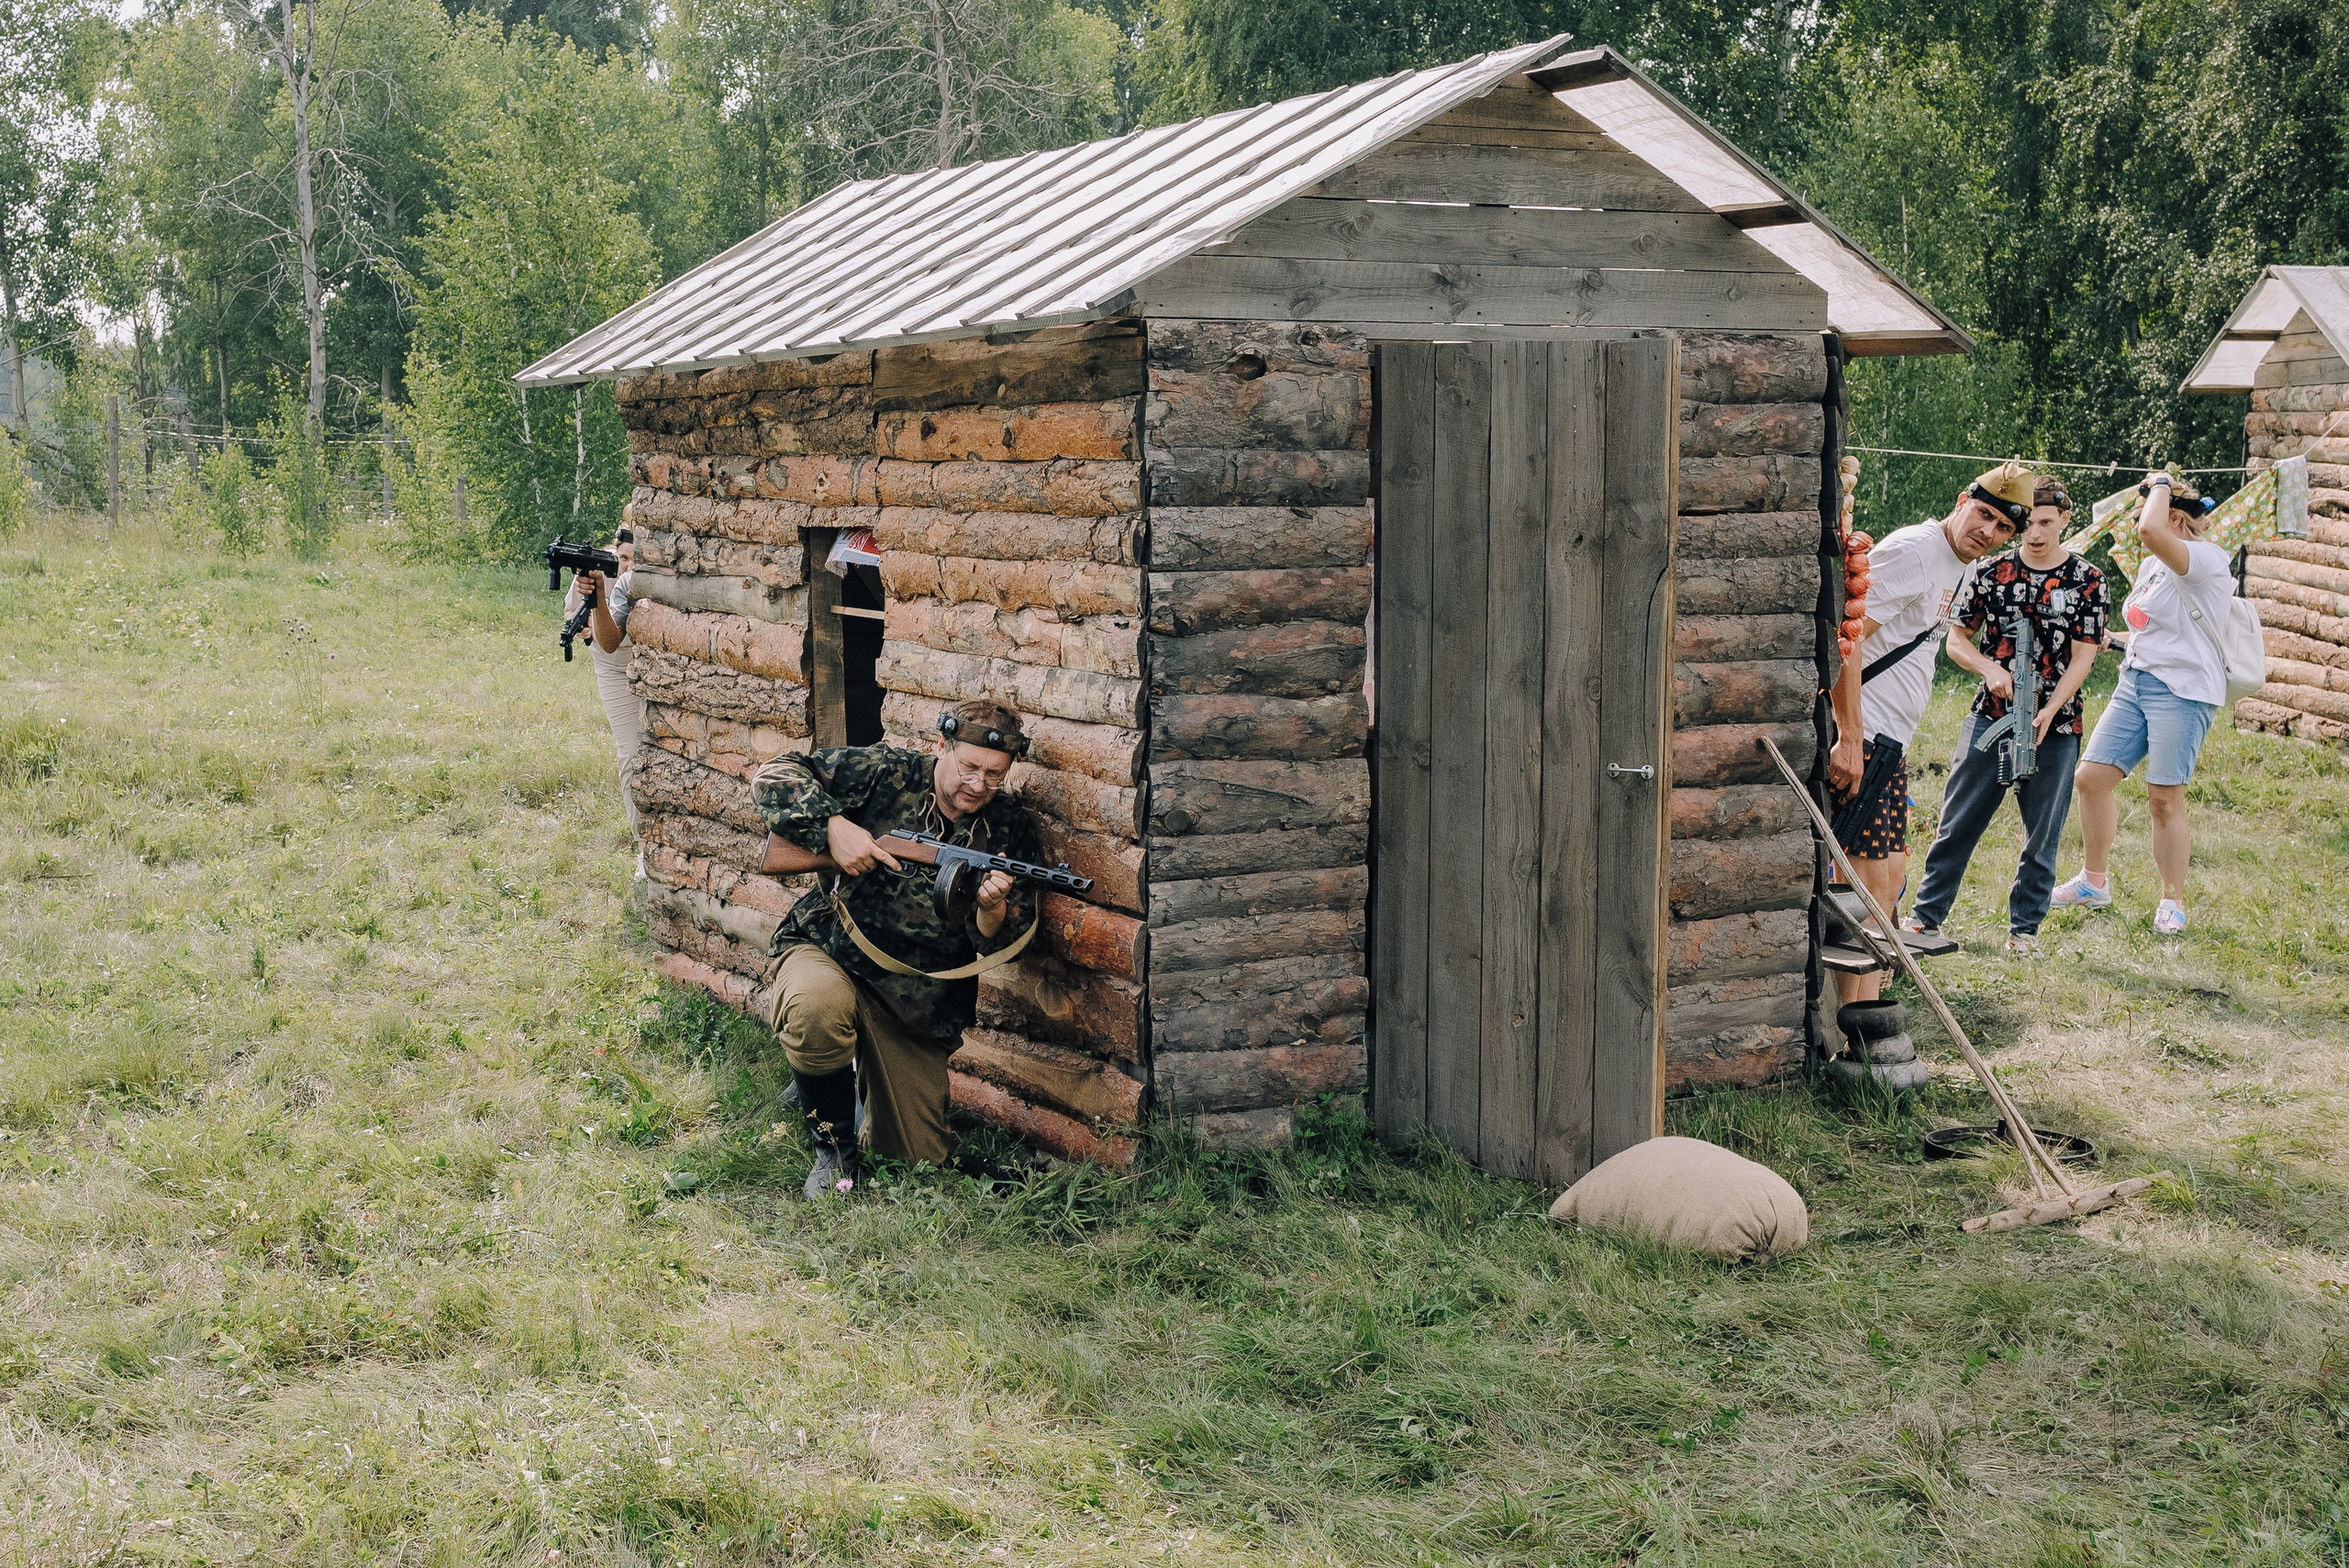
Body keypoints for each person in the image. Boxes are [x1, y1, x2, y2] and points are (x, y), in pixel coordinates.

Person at [751, 701, 1041, 1198]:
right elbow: (773, 775)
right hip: (831, 949)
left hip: (915, 1000)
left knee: (916, 1157)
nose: (978, 785)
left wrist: (991, 907)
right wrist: (835, 828)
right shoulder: (887, 771)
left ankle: (834, 1079)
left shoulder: (1008, 827)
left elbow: (1003, 941)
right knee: (815, 1006)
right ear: (943, 746)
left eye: (995, 775)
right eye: (969, 767)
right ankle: (833, 1151)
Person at [1827, 460, 2029, 1006]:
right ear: (1962, 501)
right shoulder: (1917, 552)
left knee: (1888, 885)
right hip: (1867, 737)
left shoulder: (1961, 564)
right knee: (1866, 895)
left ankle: (1865, 1019)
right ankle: (1858, 1030)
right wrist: (1850, 737)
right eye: (1982, 514)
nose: (1987, 531)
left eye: (2003, 527)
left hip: (1890, 744)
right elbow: (1846, 639)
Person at [1907, 478, 2109, 955]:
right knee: (1958, 821)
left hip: (2056, 724)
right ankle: (1925, 918)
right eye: (2027, 523)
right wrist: (1989, 669)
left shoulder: (2088, 579)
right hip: (1990, 716)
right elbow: (1957, 640)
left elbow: (2084, 656)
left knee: (2043, 834)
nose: (2034, 533)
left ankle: (2024, 932)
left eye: (2045, 523)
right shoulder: (1989, 571)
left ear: (2064, 520)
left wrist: (2050, 710)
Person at [2053, 473, 2231, 935]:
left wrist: (2161, 481)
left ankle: (2172, 900)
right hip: (2136, 681)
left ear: (2173, 516)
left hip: (2184, 691)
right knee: (2091, 779)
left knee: (2164, 800)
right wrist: (2113, 639)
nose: (2138, 525)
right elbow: (2157, 629)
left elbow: (2149, 530)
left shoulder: (2207, 559)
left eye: (2147, 512)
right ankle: (2094, 883)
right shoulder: (2154, 566)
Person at [564, 529, 644, 892]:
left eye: (635, 559)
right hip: (614, 669)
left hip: (651, 663)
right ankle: (644, 847)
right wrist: (582, 625)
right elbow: (572, 612)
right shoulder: (598, 570)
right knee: (631, 754)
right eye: (623, 557)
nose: (628, 565)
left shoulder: (647, 578)